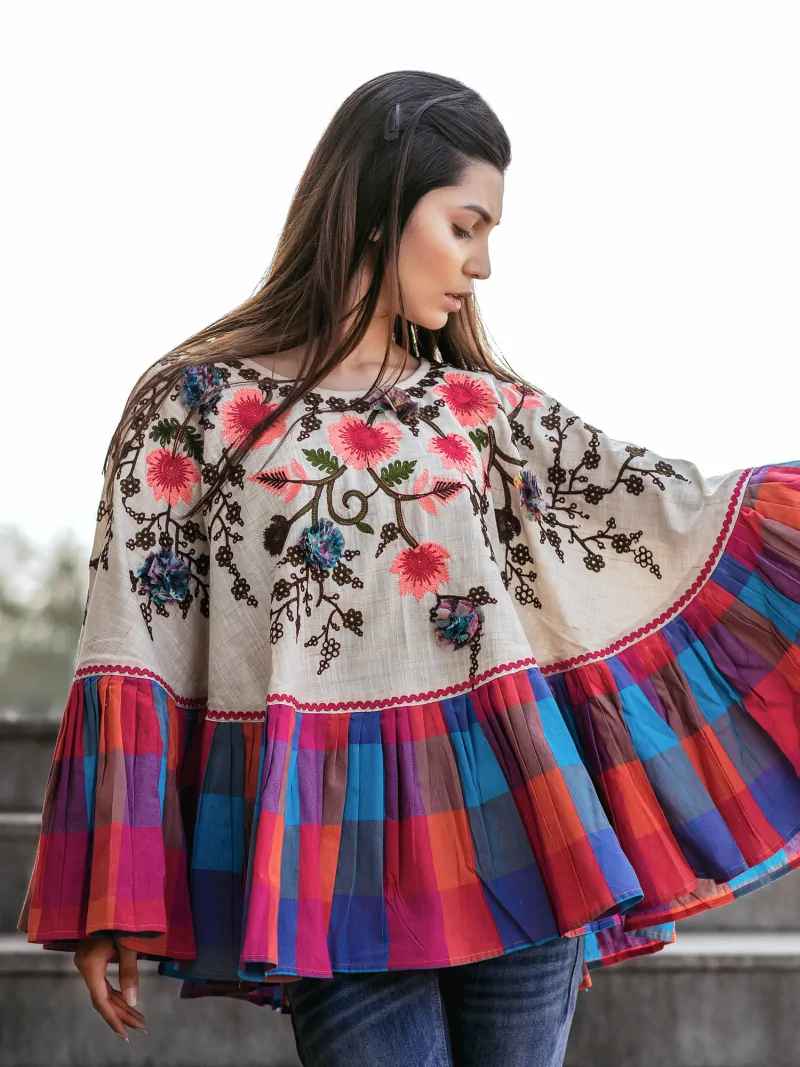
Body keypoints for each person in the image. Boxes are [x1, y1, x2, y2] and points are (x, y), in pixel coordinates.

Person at [17, 69, 800, 1067]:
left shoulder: (480, 409)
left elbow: (664, 512)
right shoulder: (195, 406)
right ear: (384, 205)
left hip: (519, 829)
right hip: (330, 853)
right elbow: (133, 632)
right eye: (465, 226)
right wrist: (109, 884)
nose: (482, 265)